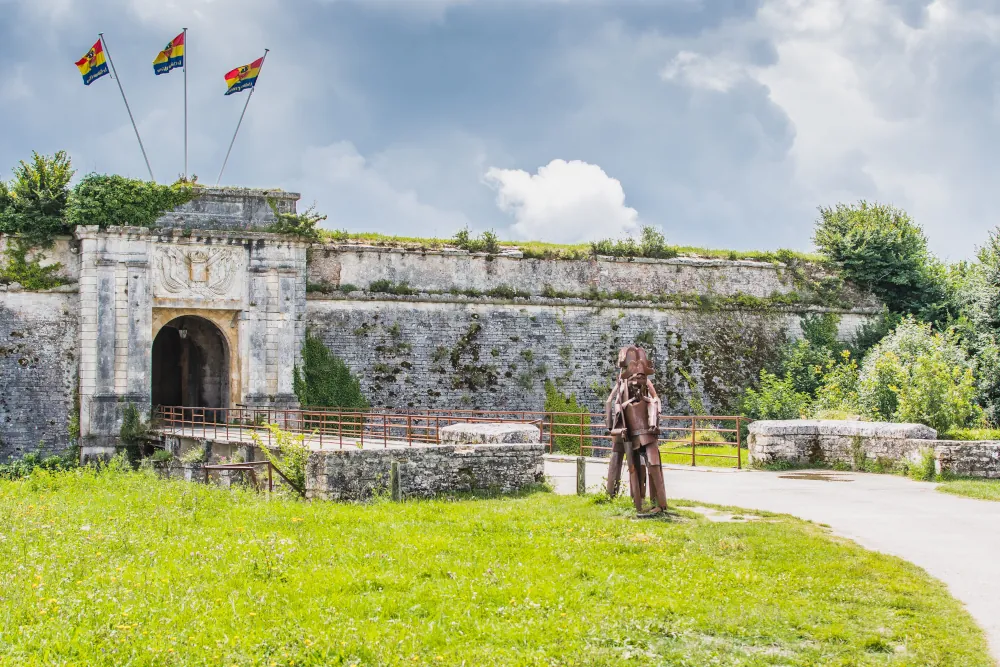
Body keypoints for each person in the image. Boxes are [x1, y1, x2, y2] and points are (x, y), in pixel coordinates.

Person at [604, 345, 667, 515]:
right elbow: (611, 402)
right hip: (625, 429)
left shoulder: (645, 383)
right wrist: (613, 425)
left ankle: (656, 501)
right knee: (618, 456)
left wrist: (653, 417)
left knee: (651, 462)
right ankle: (611, 494)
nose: (637, 379)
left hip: (644, 430)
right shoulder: (622, 384)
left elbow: (656, 400)